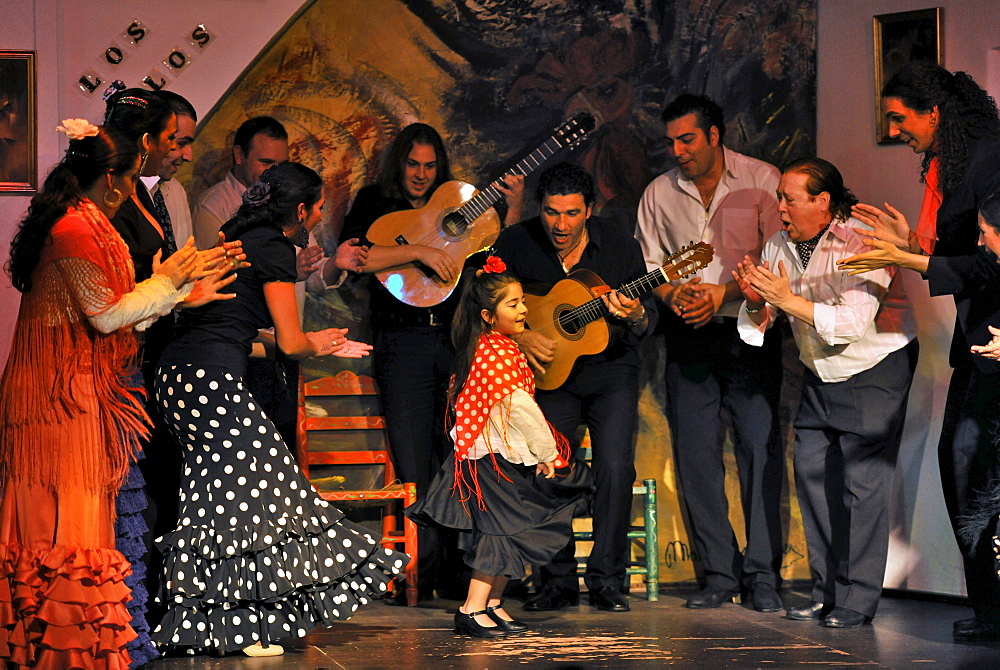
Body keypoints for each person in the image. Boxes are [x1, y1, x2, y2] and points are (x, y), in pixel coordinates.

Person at [152, 162, 407, 657]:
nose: (316, 217)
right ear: (301, 210)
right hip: (209, 380)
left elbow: (242, 338)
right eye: (316, 209)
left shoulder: (238, 236)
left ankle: (223, 623)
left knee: (219, 501)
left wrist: (318, 344)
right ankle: (247, 624)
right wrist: (313, 342)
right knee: (268, 491)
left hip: (180, 376)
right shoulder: (271, 246)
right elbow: (290, 343)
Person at [0, 121, 207, 668]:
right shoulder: (74, 229)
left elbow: (120, 316)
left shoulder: (95, 225)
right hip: (57, 396)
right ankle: (61, 651)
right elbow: (109, 313)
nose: (137, 188)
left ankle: (76, 649)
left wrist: (177, 289)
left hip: (83, 387)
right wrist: (169, 285)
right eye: (135, 177)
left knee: (82, 519)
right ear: (113, 181)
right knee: (62, 524)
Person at [837, 63, 1000, 641]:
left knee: (973, 471)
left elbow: (990, 264)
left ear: (933, 113)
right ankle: (990, 610)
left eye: (899, 118)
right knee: (964, 473)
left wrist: (910, 259)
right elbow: (959, 254)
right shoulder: (955, 160)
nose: (895, 129)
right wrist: (909, 242)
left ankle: (993, 611)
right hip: (976, 340)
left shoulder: (989, 159)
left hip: (996, 342)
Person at [340, 122, 523, 600]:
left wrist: (514, 208)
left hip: (452, 340)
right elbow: (355, 258)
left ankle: (463, 574)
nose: (420, 174)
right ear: (398, 163)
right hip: (400, 342)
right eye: (412, 164)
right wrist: (419, 250)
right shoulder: (374, 202)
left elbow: (491, 262)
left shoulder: (456, 206)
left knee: (458, 451)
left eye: (429, 166)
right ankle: (419, 568)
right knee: (413, 454)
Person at [735, 157, 918, 628]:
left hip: (873, 367)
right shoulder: (779, 243)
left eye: (788, 199)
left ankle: (857, 598)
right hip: (820, 369)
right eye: (778, 197)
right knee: (812, 470)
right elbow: (763, 323)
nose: (779, 208)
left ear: (822, 201)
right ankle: (827, 591)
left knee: (862, 483)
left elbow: (852, 325)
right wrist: (758, 303)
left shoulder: (861, 239)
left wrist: (785, 299)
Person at [633, 93, 785, 611]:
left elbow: (781, 261)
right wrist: (671, 294)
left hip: (749, 327)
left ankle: (764, 576)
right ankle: (720, 575)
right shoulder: (658, 192)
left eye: (687, 139)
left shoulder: (763, 180)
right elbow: (650, 265)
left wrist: (725, 293)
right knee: (696, 457)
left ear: (715, 135)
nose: (677, 150)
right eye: (671, 141)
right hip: (688, 334)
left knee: (758, 451)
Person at [493, 161, 654, 613]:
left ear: (590, 210)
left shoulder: (619, 245)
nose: (560, 225)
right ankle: (556, 581)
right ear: (539, 208)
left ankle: (606, 580)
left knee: (615, 468)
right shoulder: (515, 243)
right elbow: (483, 305)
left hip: (611, 371)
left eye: (571, 214)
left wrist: (636, 314)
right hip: (548, 377)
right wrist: (522, 335)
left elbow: (647, 321)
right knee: (547, 469)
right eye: (551, 213)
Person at [405, 256, 587, 637]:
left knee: (514, 529)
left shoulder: (498, 345)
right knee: (500, 532)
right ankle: (471, 609)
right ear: (488, 315)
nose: (523, 310)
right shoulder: (493, 352)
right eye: (513, 304)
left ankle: (491, 604)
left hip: (503, 456)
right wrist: (548, 452)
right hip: (490, 461)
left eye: (522, 301)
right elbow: (518, 407)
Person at [192, 115, 290, 250]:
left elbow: (312, 259)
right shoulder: (211, 206)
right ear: (239, 155)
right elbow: (214, 267)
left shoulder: (288, 198)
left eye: (283, 165)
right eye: (266, 162)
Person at [142, 89, 197, 245]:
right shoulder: (120, 194)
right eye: (181, 143)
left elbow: (186, 258)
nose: (189, 156)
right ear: (149, 140)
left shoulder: (176, 190)